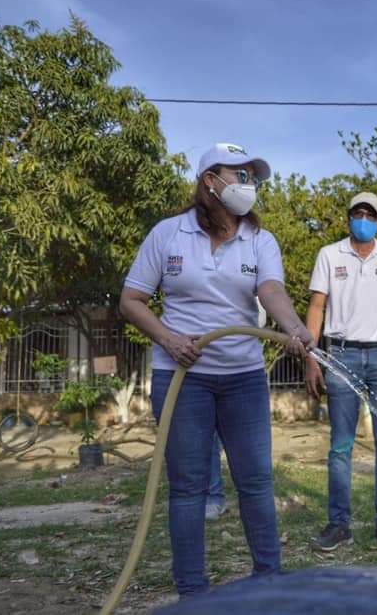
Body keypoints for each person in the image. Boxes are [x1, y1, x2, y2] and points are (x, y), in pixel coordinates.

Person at [120, 143, 313, 596]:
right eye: (239, 175)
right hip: (181, 377)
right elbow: (131, 301)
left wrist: (295, 327)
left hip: (242, 377)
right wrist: (168, 338)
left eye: (252, 177)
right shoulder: (168, 234)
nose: (248, 185)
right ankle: (192, 591)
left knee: (255, 481)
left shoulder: (260, 240)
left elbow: (270, 292)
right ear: (211, 179)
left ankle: (269, 581)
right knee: (188, 487)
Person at [304, 191, 377, 552]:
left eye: (372, 215)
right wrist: (312, 356)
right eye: (358, 213)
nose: (364, 219)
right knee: (341, 446)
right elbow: (317, 306)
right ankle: (339, 524)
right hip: (340, 356)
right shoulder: (329, 255)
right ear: (348, 218)